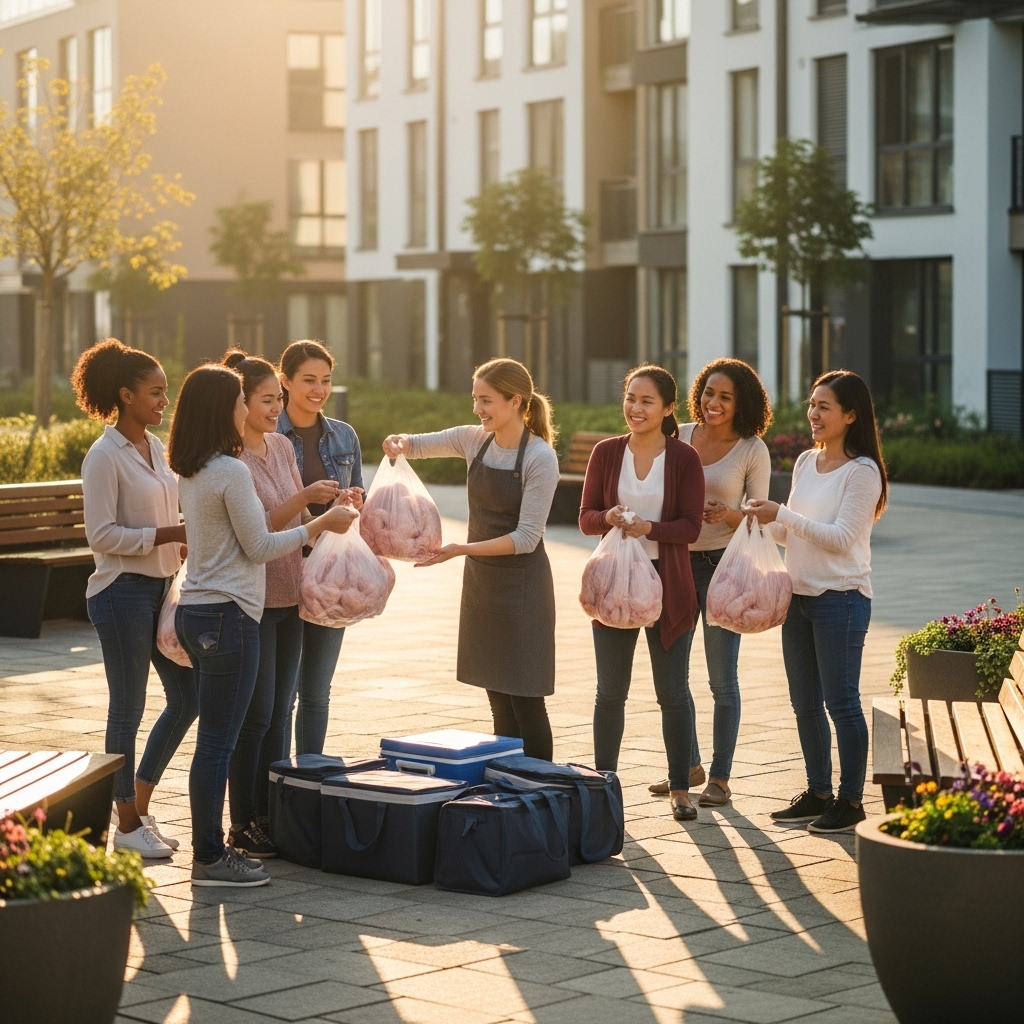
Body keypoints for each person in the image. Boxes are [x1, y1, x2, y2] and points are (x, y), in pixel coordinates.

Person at [168, 363, 357, 887]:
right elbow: (260, 546)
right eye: (242, 400)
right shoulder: (228, 469)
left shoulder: (196, 464)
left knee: (224, 736)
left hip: (202, 611)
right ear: (225, 409)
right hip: (229, 615)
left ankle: (219, 847)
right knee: (221, 743)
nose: (256, 408)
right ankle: (210, 856)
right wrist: (318, 523)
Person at [382, 358, 560, 759]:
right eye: (475, 399)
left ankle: (540, 793)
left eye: (487, 400)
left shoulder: (539, 457)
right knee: (497, 696)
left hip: (522, 589)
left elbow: (527, 538)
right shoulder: (474, 438)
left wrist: (462, 549)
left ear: (516, 401)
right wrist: (399, 441)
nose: (478, 409)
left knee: (527, 699)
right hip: (483, 585)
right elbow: (420, 444)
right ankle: (511, 787)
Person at [221, 350, 353, 859]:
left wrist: (339, 504)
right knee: (255, 717)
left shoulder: (278, 446)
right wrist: (312, 507)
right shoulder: (231, 462)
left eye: (278, 399)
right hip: (253, 598)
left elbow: (296, 518)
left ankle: (272, 814)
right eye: (267, 400)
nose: (276, 409)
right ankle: (242, 821)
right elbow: (266, 526)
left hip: (291, 591)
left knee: (279, 712)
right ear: (241, 403)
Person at [746, 370, 887, 834]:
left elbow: (843, 538)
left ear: (851, 415)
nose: (814, 414)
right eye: (812, 404)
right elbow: (790, 532)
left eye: (824, 407)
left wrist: (782, 514)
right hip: (799, 598)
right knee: (804, 703)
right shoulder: (807, 461)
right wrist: (754, 519)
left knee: (841, 703)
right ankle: (818, 791)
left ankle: (851, 802)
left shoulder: (862, 471)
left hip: (841, 600)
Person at [74, 339, 196, 858]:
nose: (163, 401)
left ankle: (137, 805)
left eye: (165, 392)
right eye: (154, 392)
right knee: (127, 708)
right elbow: (100, 536)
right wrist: (167, 535)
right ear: (124, 395)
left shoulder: (155, 446)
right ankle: (125, 825)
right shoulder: (104, 456)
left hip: (162, 589)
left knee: (187, 697)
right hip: (120, 592)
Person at [580, 365, 705, 821]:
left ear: (669, 408)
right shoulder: (607, 452)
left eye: (647, 401)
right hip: (615, 581)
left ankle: (679, 788)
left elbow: (691, 526)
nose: (635, 407)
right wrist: (609, 517)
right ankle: (602, 785)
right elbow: (585, 517)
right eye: (631, 398)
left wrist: (648, 527)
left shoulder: (685, 459)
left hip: (668, 583)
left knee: (672, 691)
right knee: (610, 692)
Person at [648, 359, 772, 808]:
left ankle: (719, 777)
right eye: (708, 393)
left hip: (725, 568)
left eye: (725, 397)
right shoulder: (677, 434)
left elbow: (761, 515)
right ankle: (687, 767)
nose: (713, 403)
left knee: (722, 678)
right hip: (675, 563)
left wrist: (730, 513)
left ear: (743, 404)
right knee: (673, 679)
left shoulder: (752, 449)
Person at [277, 340, 364, 755]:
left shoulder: (344, 436)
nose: (318, 389)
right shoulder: (268, 433)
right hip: (283, 567)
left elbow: (357, 494)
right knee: (282, 693)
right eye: (308, 380)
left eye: (326, 380)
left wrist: (355, 500)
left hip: (332, 574)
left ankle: (308, 778)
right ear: (286, 381)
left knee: (317, 690)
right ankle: (274, 785)